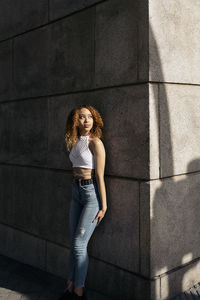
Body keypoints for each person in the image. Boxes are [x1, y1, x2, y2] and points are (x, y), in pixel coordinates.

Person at [58, 104, 107, 300]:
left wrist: (104, 205)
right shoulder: (75, 140)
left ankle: (79, 292)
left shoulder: (96, 143)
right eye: (81, 117)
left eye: (89, 117)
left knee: (79, 245)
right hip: (75, 191)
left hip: (90, 194)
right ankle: (70, 286)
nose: (86, 120)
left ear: (94, 120)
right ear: (75, 121)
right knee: (73, 243)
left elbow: (100, 176)